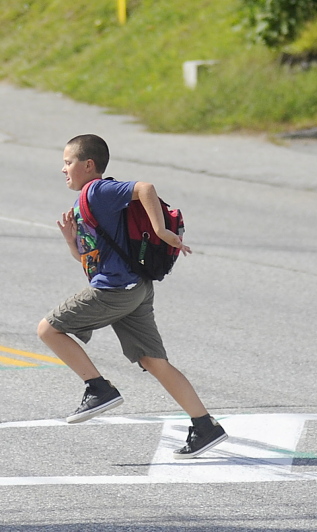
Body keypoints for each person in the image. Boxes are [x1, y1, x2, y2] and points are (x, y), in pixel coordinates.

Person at [37, 134, 228, 459]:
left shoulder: (97, 190)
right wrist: (72, 242)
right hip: (134, 289)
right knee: (153, 361)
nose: (63, 169)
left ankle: (98, 389)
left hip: (115, 291)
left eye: (68, 162)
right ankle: (205, 425)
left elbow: (145, 188)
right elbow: (90, 260)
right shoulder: (85, 203)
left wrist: (161, 231)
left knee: (48, 329)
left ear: (88, 165)